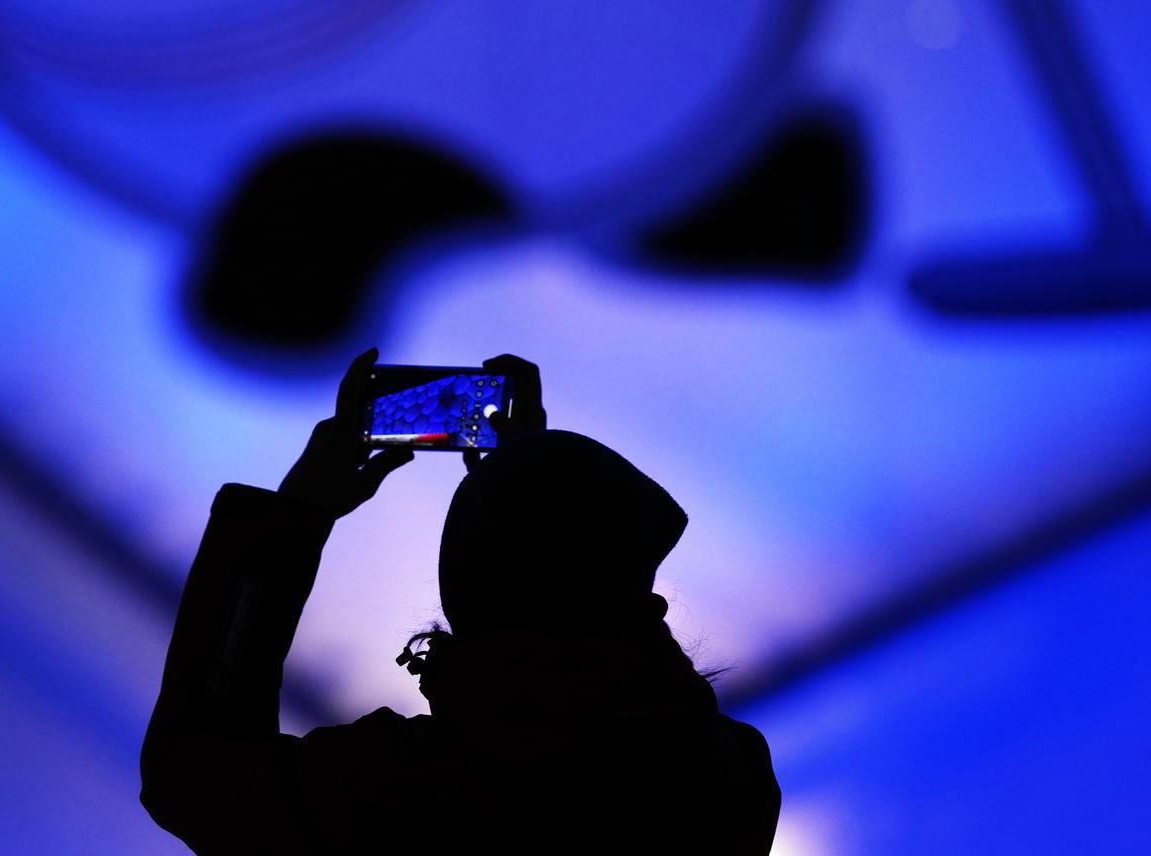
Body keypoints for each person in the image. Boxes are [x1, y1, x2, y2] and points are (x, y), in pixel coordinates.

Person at [141, 350, 780, 853]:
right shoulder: (734, 782)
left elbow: (192, 771)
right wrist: (525, 482)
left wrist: (295, 517)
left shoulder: (408, 794)